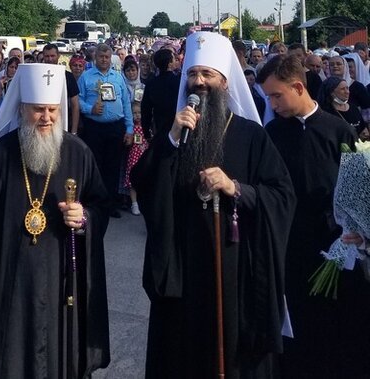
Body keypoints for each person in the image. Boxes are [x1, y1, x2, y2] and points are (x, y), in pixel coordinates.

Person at [130, 32, 296, 377]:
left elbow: (281, 195)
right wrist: (171, 141)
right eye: (193, 74)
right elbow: (143, 184)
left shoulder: (251, 135)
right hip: (186, 262)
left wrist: (235, 187)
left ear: (224, 82)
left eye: (207, 75)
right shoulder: (176, 132)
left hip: (235, 264)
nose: (199, 82)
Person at [0, 63, 110, 378]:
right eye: (38, 110)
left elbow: (100, 205)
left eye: (51, 109)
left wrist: (85, 217)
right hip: (12, 285)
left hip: (62, 286)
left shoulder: (77, 152)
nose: (46, 118)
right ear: (22, 109)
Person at [258, 54, 370, 378]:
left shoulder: (338, 131)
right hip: (292, 246)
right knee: (300, 329)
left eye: (276, 95)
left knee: (340, 328)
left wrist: (358, 230)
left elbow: (358, 189)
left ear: (297, 86)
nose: (273, 104)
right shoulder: (272, 134)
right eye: (268, 98)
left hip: (337, 246)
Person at [78, 43, 133, 217]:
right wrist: (89, 109)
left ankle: (110, 205)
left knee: (113, 167)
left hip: (115, 128)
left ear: (111, 58)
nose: (104, 60)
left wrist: (129, 129)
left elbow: (126, 103)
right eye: (101, 56)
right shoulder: (86, 77)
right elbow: (77, 100)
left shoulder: (118, 77)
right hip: (94, 128)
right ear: (95, 58)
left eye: (107, 57)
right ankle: (95, 205)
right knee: (96, 166)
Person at [140, 48, 181, 139]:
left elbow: (145, 109)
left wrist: (146, 131)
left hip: (159, 127)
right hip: (176, 127)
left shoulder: (151, 83)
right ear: (170, 63)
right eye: (174, 59)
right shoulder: (178, 82)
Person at [43, 44, 80, 134]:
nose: (50, 59)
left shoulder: (68, 76)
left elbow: (75, 105)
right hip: (44, 121)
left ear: (58, 56)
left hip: (63, 121)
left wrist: (74, 131)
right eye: (47, 56)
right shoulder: (37, 75)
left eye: (52, 56)